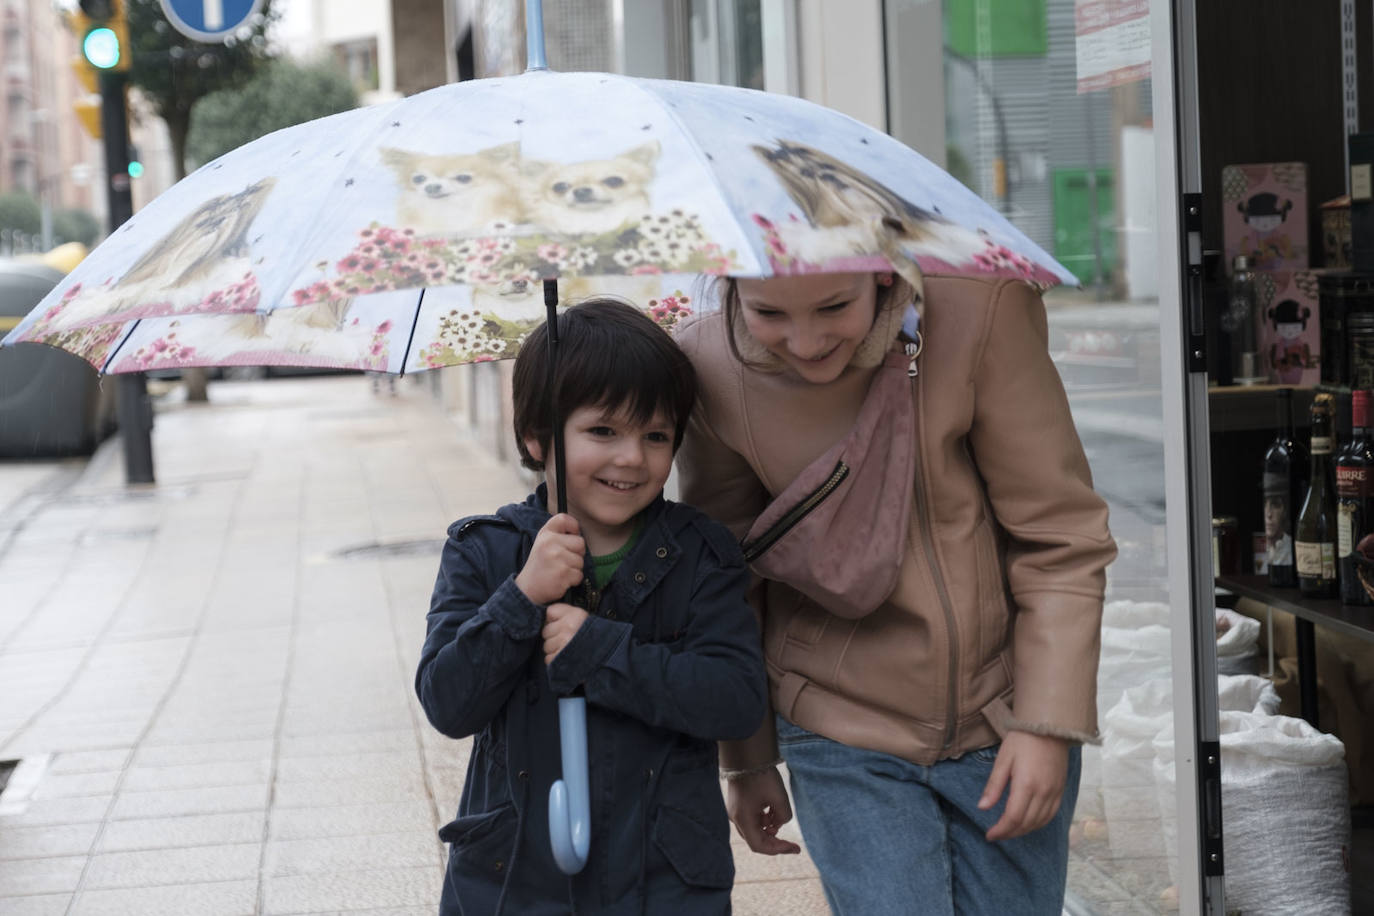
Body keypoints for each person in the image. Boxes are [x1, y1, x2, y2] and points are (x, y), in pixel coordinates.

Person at [674, 269, 1118, 915]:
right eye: (769, 313)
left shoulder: (981, 313)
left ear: (882, 271)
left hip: (1005, 714)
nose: (804, 340)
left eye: (833, 306)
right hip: (835, 721)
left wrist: (1047, 724)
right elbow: (725, 576)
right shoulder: (708, 359)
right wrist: (746, 757)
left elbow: (1061, 537)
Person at [415, 298, 767, 916]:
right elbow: (448, 702)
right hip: (515, 878)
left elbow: (734, 698)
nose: (632, 457)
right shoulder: (483, 552)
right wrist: (521, 599)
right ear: (535, 434)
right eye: (603, 431)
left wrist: (601, 652)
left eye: (656, 435)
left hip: (664, 878)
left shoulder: (702, 555)